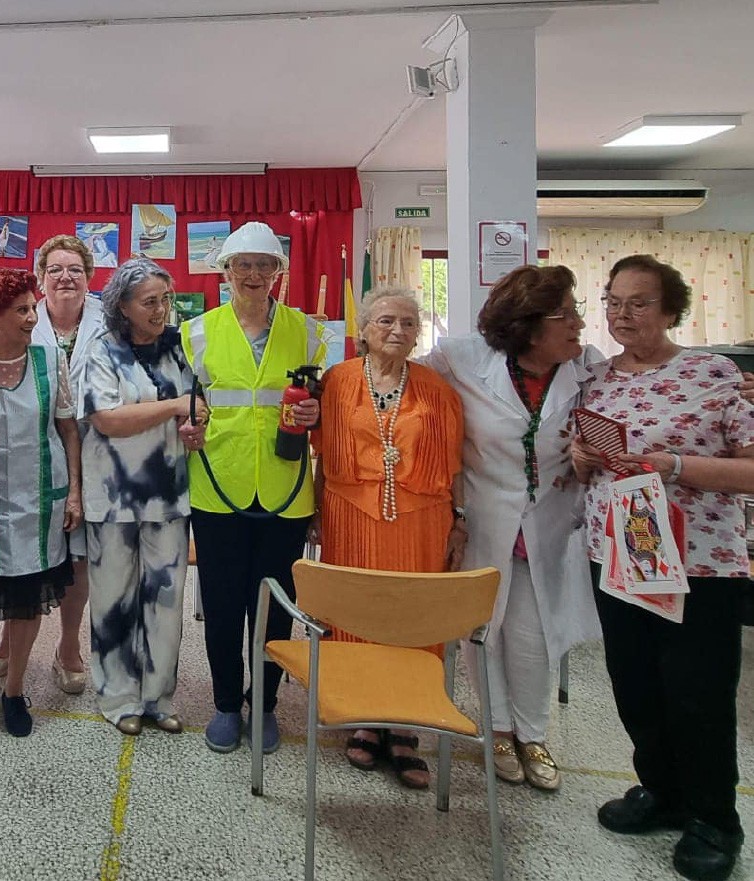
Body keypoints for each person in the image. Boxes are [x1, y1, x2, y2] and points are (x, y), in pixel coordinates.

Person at [572, 255, 754, 881]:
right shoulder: (596, 379)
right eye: (614, 302)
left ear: (672, 308)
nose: (623, 315)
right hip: (619, 557)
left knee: (698, 694)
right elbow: (587, 459)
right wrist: (582, 456)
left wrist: (674, 466)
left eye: (639, 303)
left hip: (698, 563)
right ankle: (661, 791)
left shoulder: (713, 373)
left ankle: (713, 819)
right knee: (635, 684)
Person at [423, 265, 600, 793]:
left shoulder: (589, 368)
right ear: (526, 326)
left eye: (575, 312)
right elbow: (401, 376)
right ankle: (497, 730)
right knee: (484, 629)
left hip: (549, 518)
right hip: (484, 515)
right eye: (563, 315)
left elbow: (649, 384)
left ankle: (533, 734)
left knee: (535, 631)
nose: (578, 324)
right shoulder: (461, 358)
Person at [313, 289, 465, 789]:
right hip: (349, 514)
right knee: (356, 616)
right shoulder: (336, 381)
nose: (397, 330)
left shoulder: (435, 389)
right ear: (364, 326)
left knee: (413, 618)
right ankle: (364, 716)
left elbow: (455, 463)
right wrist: (314, 511)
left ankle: (404, 726)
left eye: (407, 322)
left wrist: (458, 519)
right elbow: (320, 451)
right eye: (386, 320)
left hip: (420, 520)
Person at [181, 221, 323, 754]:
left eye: (266, 265)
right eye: (244, 265)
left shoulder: (308, 331)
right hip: (218, 487)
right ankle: (223, 704)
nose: (255, 275)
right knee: (221, 601)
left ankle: (262, 704)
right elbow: (186, 403)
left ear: (279, 274)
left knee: (275, 604)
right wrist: (186, 427)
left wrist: (316, 410)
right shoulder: (196, 332)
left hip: (286, 490)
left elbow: (321, 402)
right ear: (226, 271)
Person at [0, 268, 83, 737]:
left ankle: (14, 689)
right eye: (22, 310)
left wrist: (74, 491)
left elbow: (68, 428)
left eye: (33, 307)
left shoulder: (52, 360)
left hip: (39, 501)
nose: (33, 317)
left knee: (27, 597)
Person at [80, 258, 205, 735]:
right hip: (113, 499)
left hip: (169, 496)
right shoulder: (102, 351)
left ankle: (157, 697)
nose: (161, 310)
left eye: (166, 300)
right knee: (114, 599)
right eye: (150, 302)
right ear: (124, 307)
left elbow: (198, 407)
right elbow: (107, 418)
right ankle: (118, 699)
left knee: (165, 603)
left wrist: (196, 426)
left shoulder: (180, 350)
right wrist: (176, 406)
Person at [0, 235, 104, 693]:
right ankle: (5, 633)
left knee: (78, 556)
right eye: (55, 269)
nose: (65, 277)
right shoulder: (24, 319)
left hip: (95, 451)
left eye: (75, 269)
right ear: (41, 278)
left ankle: (69, 645)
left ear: (89, 277)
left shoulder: (109, 320)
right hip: (29, 450)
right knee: (19, 546)